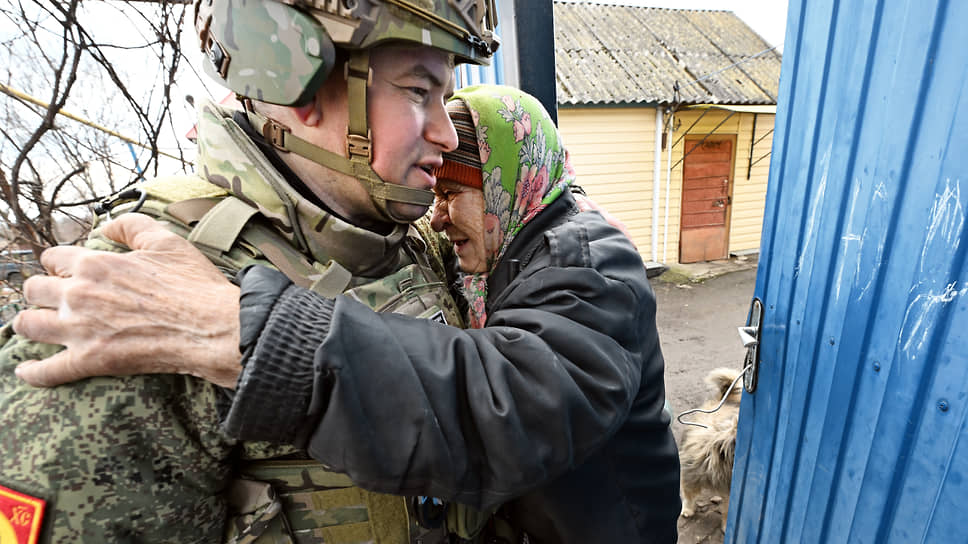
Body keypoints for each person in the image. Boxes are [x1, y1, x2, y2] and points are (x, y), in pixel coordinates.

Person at [18, 84, 682, 542]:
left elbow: (521, 405)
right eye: (436, 191)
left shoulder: (586, 257)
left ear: (513, 179)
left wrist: (253, 335)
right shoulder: (497, 248)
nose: (437, 212)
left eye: (457, 192)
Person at [1, 0, 497, 542]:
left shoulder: (416, 244)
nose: (447, 137)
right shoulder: (137, 296)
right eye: (419, 92)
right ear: (303, 88)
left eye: (445, 98)